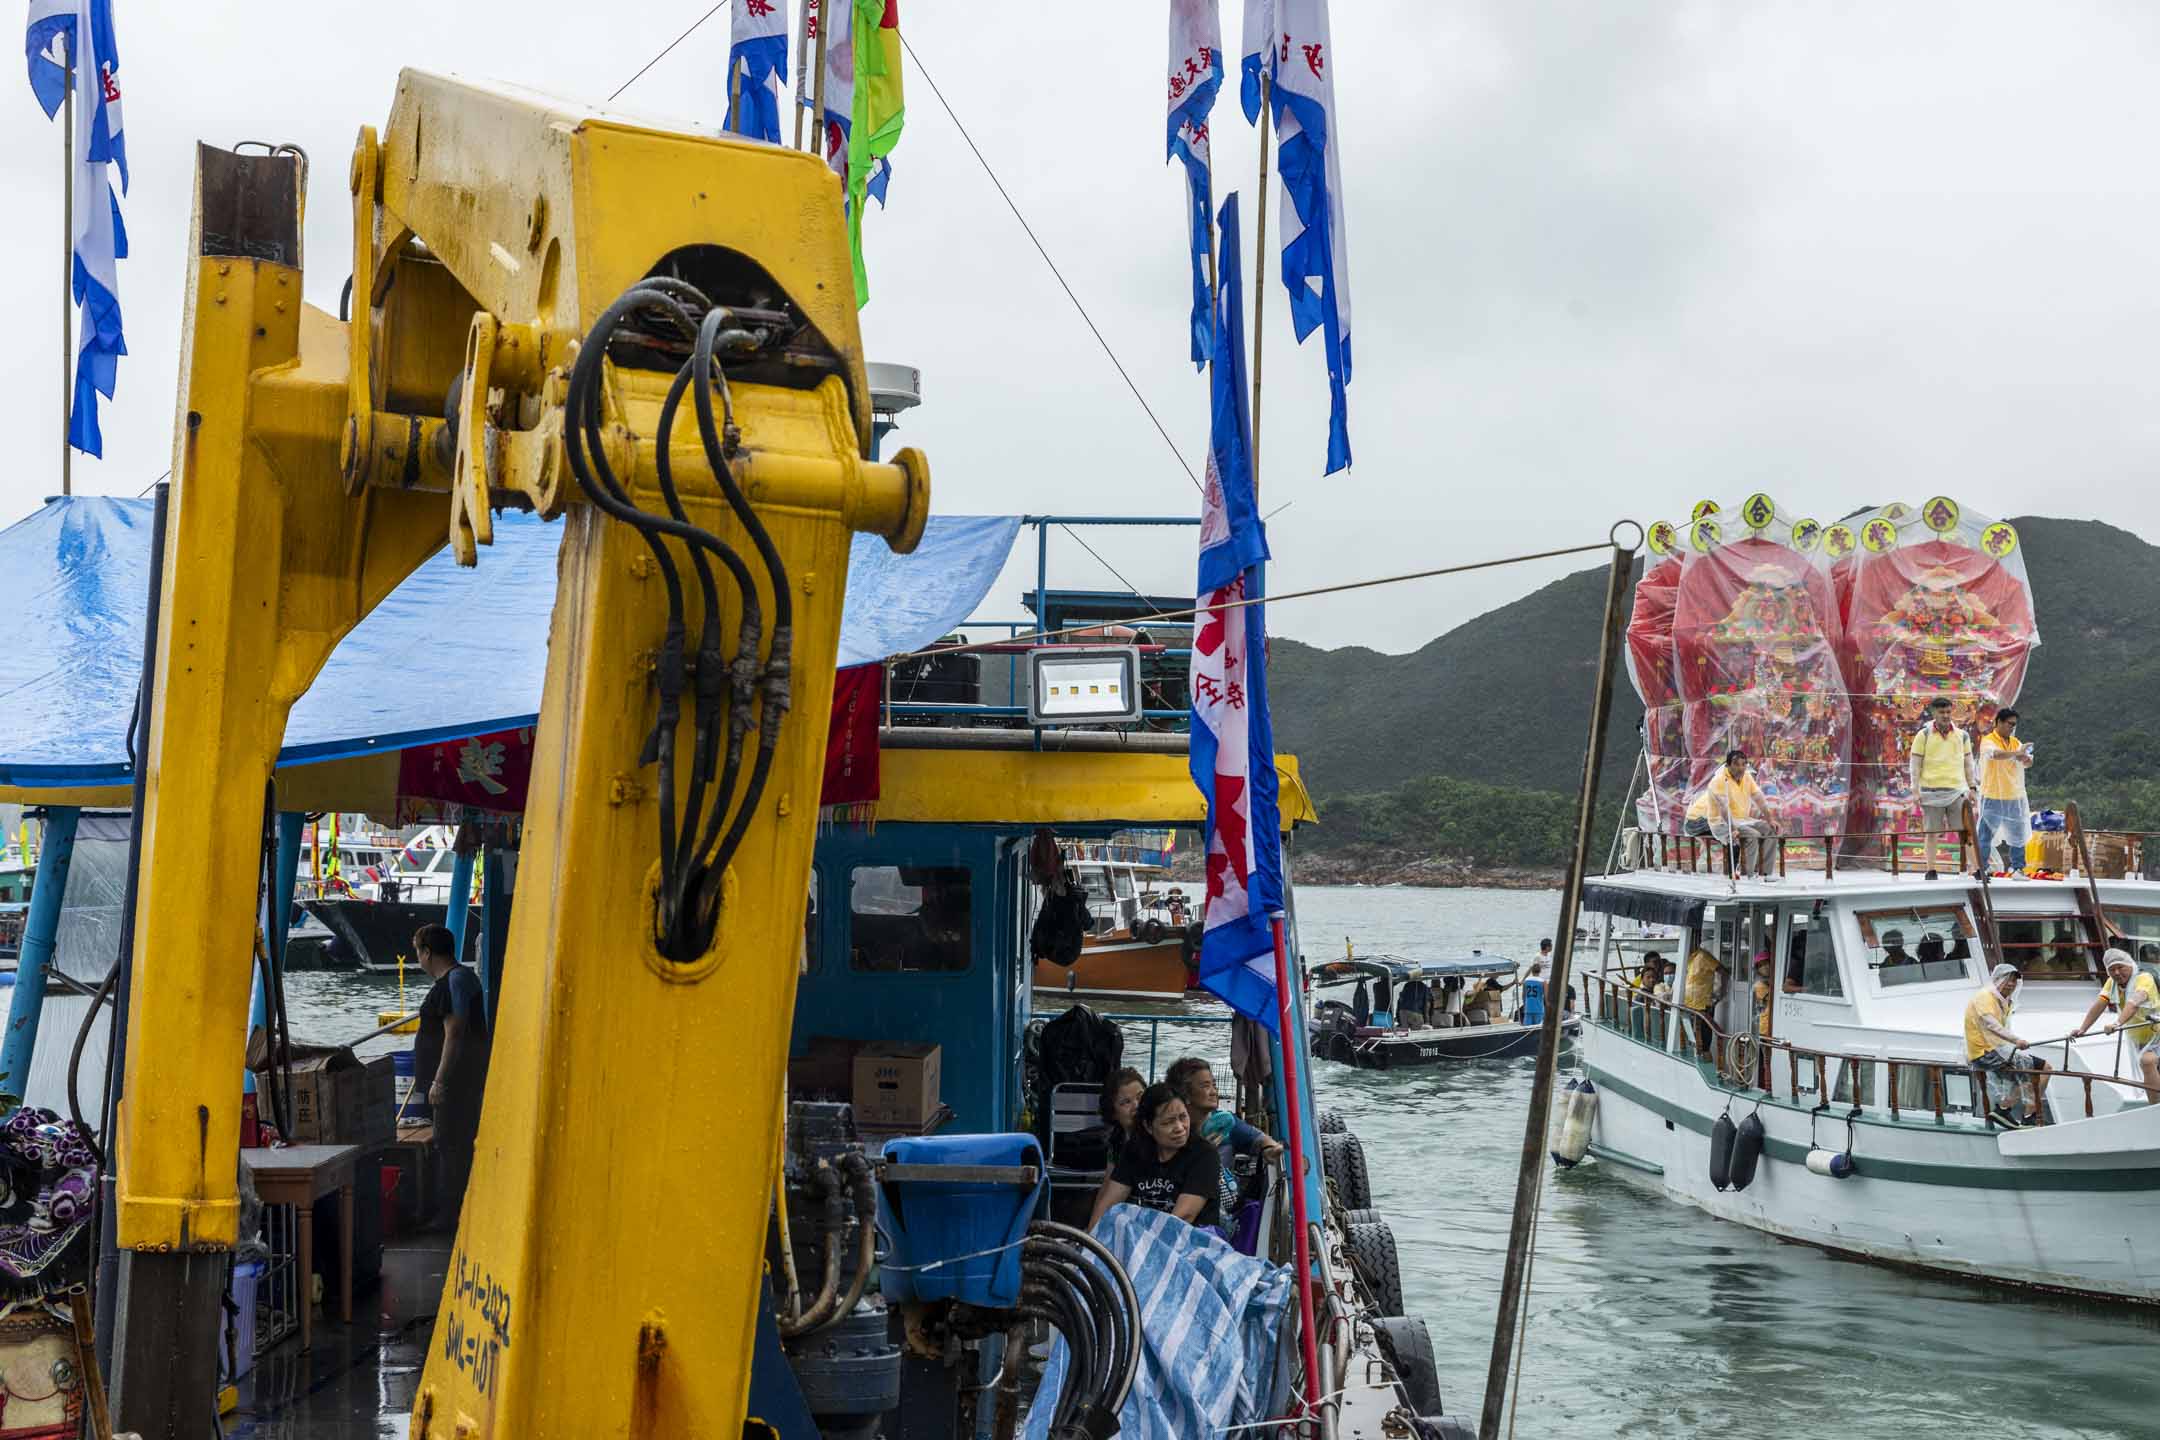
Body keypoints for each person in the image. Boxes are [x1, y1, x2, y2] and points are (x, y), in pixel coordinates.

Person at [412, 922, 493, 1222]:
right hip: (456, 1080)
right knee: (448, 1140)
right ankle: (450, 1208)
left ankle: (451, 1214)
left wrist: (439, 1081)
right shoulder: (455, 980)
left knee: (451, 1143)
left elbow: (455, 1032)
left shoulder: (455, 981)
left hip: (457, 1082)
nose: (418, 959)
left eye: (418, 952)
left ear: (428, 952)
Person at [1166, 1058, 1282, 1234]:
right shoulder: (1171, 1131)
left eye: (1214, 1085)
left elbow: (1262, 1140)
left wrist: (1269, 1150)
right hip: (1180, 1203)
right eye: (1205, 1086)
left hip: (1221, 1210)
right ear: (1186, 1095)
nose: (1214, 1092)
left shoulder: (1225, 1123)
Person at [1089, 1082, 1221, 1231]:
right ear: (1148, 1126)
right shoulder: (1134, 1151)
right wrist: (1089, 1242)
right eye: (1168, 1122)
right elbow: (1107, 1207)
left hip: (1191, 1239)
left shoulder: (1204, 1155)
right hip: (1144, 1238)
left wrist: (1142, 1249)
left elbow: (1184, 1216)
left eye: (1183, 1117)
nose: (1179, 1127)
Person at [1964, 963, 2052, 1127]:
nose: (2011, 984)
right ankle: (2023, 1115)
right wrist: (2016, 1041)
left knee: (2031, 1074)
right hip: (1986, 1053)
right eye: (2008, 980)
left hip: (1995, 1050)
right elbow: (1991, 1024)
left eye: (2014, 981)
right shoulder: (1984, 997)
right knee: (2043, 1069)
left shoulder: (2003, 1001)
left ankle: (2010, 1111)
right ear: (1997, 980)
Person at [2073, 950, 2160, 1098]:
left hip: (2157, 1033)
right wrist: (2082, 1029)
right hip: (2141, 1039)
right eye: (2112, 969)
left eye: (2121, 967)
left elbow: (2134, 1002)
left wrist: (2117, 1023)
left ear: (2130, 964)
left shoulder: (2144, 978)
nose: (2117, 972)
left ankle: (2155, 1108)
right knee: (2148, 1065)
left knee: (2147, 1061)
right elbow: (2100, 1004)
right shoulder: (2112, 982)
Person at [1683, 750, 1781, 879]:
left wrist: (1770, 820)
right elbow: (1724, 809)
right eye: (1736, 764)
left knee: (1770, 830)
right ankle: (1748, 874)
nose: (1741, 768)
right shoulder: (1719, 781)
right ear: (1728, 766)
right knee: (1753, 834)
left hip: (1740, 819)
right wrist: (1733, 829)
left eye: (1743, 765)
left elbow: (1759, 798)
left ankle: (1765, 873)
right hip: (1718, 820)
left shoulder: (1747, 777)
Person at [1909, 698, 1977, 880]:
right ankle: (1931, 870)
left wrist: (1972, 787)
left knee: (1965, 831)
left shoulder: (1962, 735)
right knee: (1931, 832)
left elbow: (1969, 764)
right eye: (1941, 712)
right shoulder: (1923, 735)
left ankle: (1976, 870)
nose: (1945, 716)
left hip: (1957, 791)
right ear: (1934, 713)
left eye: (1948, 712)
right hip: (1930, 791)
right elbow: (1915, 765)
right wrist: (1914, 790)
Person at [1975, 708, 2034, 877]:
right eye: (2009, 724)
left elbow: (2028, 763)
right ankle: (1982, 869)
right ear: (1998, 722)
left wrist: (2025, 758)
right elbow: (1995, 754)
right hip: (1992, 796)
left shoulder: (2016, 742)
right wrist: (2017, 754)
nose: (2012, 728)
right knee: (1985, 835)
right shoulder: (1988, 740)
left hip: (2014, 796)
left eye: (2014, 725)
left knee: (2018, 835)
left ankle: (2017, 868)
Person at [1097, 1067, 1145, 1169]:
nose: (1136, 1105)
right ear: (1113, 1113)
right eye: (1126, 1102)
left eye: (1140, 1097)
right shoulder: (1117, 1139)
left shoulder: (1158, 1137)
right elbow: (1109, 1180)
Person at [1682, 943, 1723, 1055]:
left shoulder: (1703, 956)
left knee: (1704, 1039)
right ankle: (1695, 1057)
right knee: (1692, 1037)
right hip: (1689, 1005)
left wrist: (1718, 995)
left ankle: (1705, 1058)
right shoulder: (1689, 958)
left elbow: (1722, 972)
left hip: (1704, 1005)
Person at [1521, 962, 1548, 1027]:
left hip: (1528, 1008)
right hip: (1538, 1009)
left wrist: (1525, 1005)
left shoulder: (1526, 981)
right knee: (1538, 1028)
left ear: (1532, 971)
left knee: (1527, 1029)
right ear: (1540, 971)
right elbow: (1546, 996)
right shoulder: (1543, 981)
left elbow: (1523, 995)